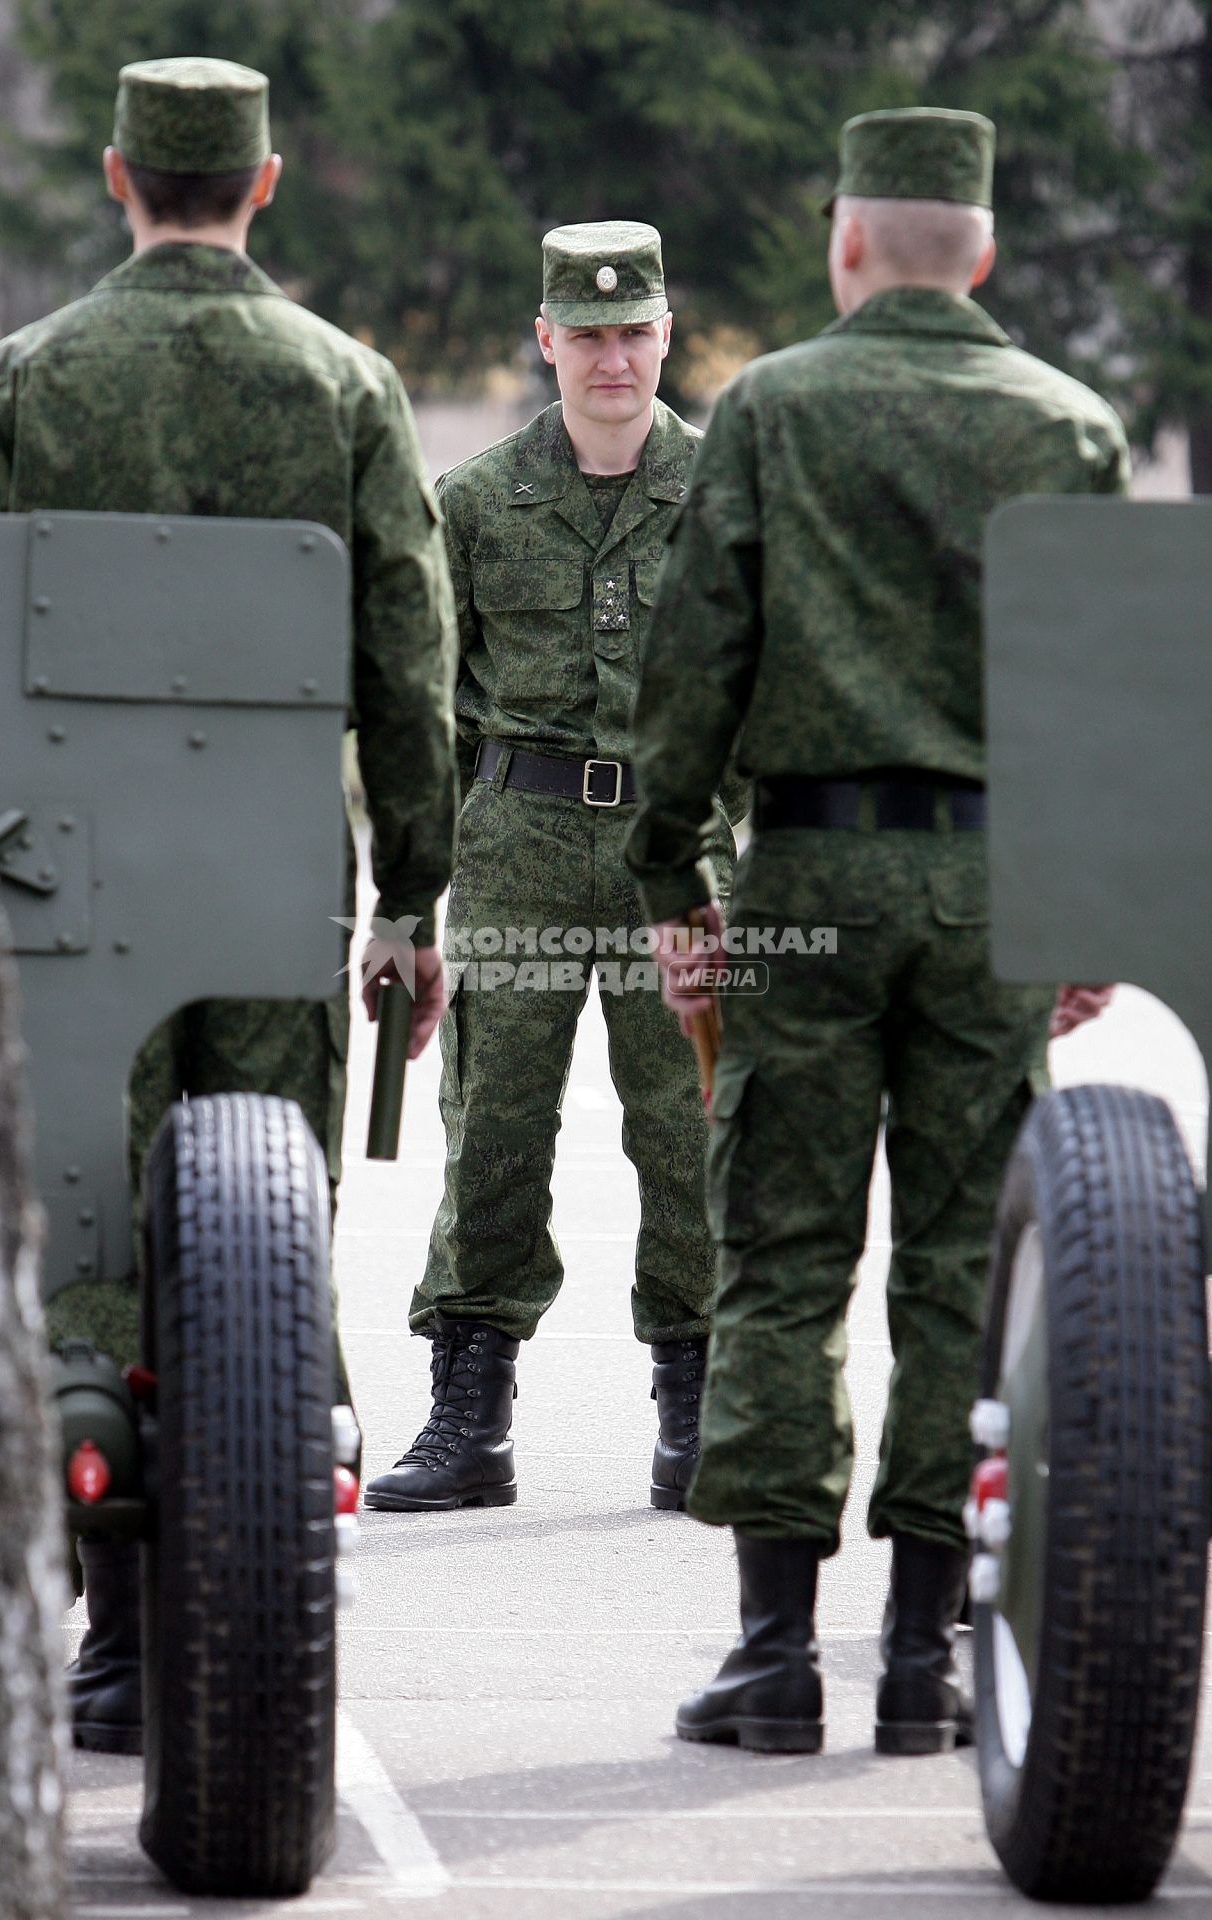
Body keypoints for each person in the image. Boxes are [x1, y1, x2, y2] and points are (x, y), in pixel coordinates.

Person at [0, 55, 457, 1752]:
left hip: (58, 860)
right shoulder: (347, 385)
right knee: (259, 1215)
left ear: (114, 176)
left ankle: (108, 1641)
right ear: (264, 181)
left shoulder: (21, 378)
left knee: (86, 1231)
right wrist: (414, 886)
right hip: (266, 864)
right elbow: (408, 649)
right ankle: (237, 1611)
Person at [626, 108, 1127, 1755]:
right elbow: (1105, 690)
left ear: (845, 244)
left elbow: (698, 659)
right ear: (979, 251)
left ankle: (774, 1658)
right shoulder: (1071, 426)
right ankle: (924, 1662)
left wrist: (668, 884)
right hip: (991, 890)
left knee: (780, 1258)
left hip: (812, 883)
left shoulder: (769, 407)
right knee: (956, 1267)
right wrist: (1090, 904)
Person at [363, 222, 739, 1514]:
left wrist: (738, 872)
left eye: (633, 330)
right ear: (545, 340)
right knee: (494, 1131)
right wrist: (404, 905)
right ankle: (471, 1417)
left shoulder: (730, 495)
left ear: (666, 333)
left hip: (672, 856)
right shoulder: (467, 503)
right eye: (586, 334)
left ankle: (695, 1409)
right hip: (514, 843)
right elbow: (425, 714)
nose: (612, 357)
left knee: (687, 1129)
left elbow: (767, 695)